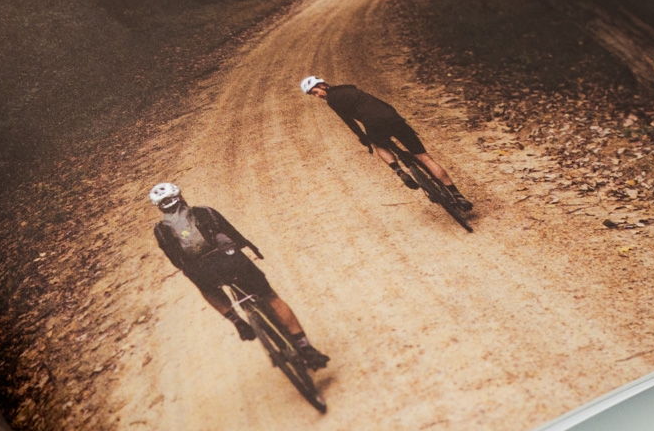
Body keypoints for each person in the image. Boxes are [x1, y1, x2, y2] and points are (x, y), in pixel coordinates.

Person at [148, 182, 328, 369]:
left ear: (160, 208)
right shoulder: (204, 211)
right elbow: (235, 237)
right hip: (232, 262)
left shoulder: (160, 231)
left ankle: (236, 320)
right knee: (270, 297)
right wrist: (248, 252)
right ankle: (306, 348)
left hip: (203, 272)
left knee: (206, 288)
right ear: (181, 196)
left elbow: (177, 262)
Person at [298, 76, 472, 210]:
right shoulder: (351, 89)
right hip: (393, 117)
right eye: (313, 95)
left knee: (379, 145)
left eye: (315, 92)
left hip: (373, 123)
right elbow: (381, 103)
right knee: (425, 157)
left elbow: (349, 121)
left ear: (322, 85)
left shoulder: (332, 99)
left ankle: (398, 171)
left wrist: (363, 138)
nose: (317, 96)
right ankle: (458, 195)